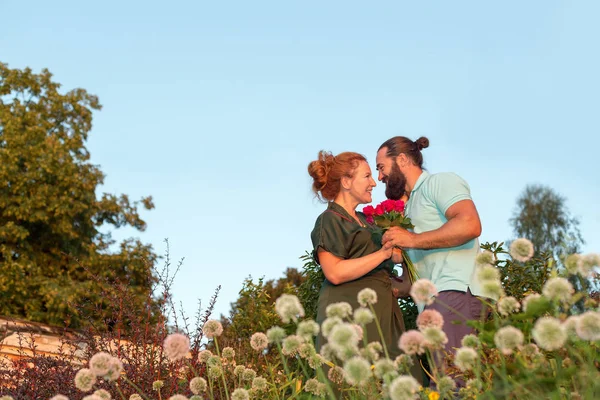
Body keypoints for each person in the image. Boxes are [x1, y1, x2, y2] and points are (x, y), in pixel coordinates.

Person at [376, 136, 486, 373]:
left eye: (381, 167)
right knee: (450, 383)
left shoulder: (439, 182)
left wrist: (412, 240)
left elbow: (470, 224)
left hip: (455, 293)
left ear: (402, 160)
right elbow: (412, 280)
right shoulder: (410, 205)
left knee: (453, 385)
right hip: (433, 304)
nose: (379, 177)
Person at [308, 150, 416, 366]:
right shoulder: (329, 220)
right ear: (346, 182)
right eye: (367, 176)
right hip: (350, 318)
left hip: (384, 314)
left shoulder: (368, 221)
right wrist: (383, 253)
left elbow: (387, 259)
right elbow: (335, 272)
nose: (374, 183)